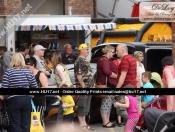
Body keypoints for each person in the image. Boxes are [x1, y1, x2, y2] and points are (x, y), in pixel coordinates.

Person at [1, 53, 37, 132]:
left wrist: (3, 97)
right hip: (26, 100)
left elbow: (4, 88)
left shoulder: (9, 72)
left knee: (15, 124)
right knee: (26, 123)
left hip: (14, 100)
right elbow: (34, 86)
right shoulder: (28, 72)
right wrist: (32, 95)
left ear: (12, 60)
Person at [74, 43, 94, 131]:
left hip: (89, 87)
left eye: (88, 49)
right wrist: (83, 87)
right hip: (83, 88)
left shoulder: (84, 60)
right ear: (81, 50)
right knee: (82, 106)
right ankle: (82, 125)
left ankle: (85, 123)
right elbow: (79, 76)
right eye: (86, 49)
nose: (88, 51)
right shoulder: (79, 60)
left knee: (86, 107)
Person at [96, 45, 117, 128]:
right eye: (112, 52)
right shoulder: (104, 60)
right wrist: (117, 76)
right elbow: (107, 72)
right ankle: (105, 122)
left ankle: (107, 121)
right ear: (108, 52)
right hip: (106, 85)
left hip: (107, 84)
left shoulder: (104, 59)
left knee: (108, 103)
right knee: (105, 103)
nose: (113, 54)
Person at [25, 57, 48, 127]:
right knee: (31, 121)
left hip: (39, 101)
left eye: (28, 68)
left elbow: (45, 87)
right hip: (29, 101)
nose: (26, 69)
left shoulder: (40, 74)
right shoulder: (27, 74)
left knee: (38, 120)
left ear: (33, 66)